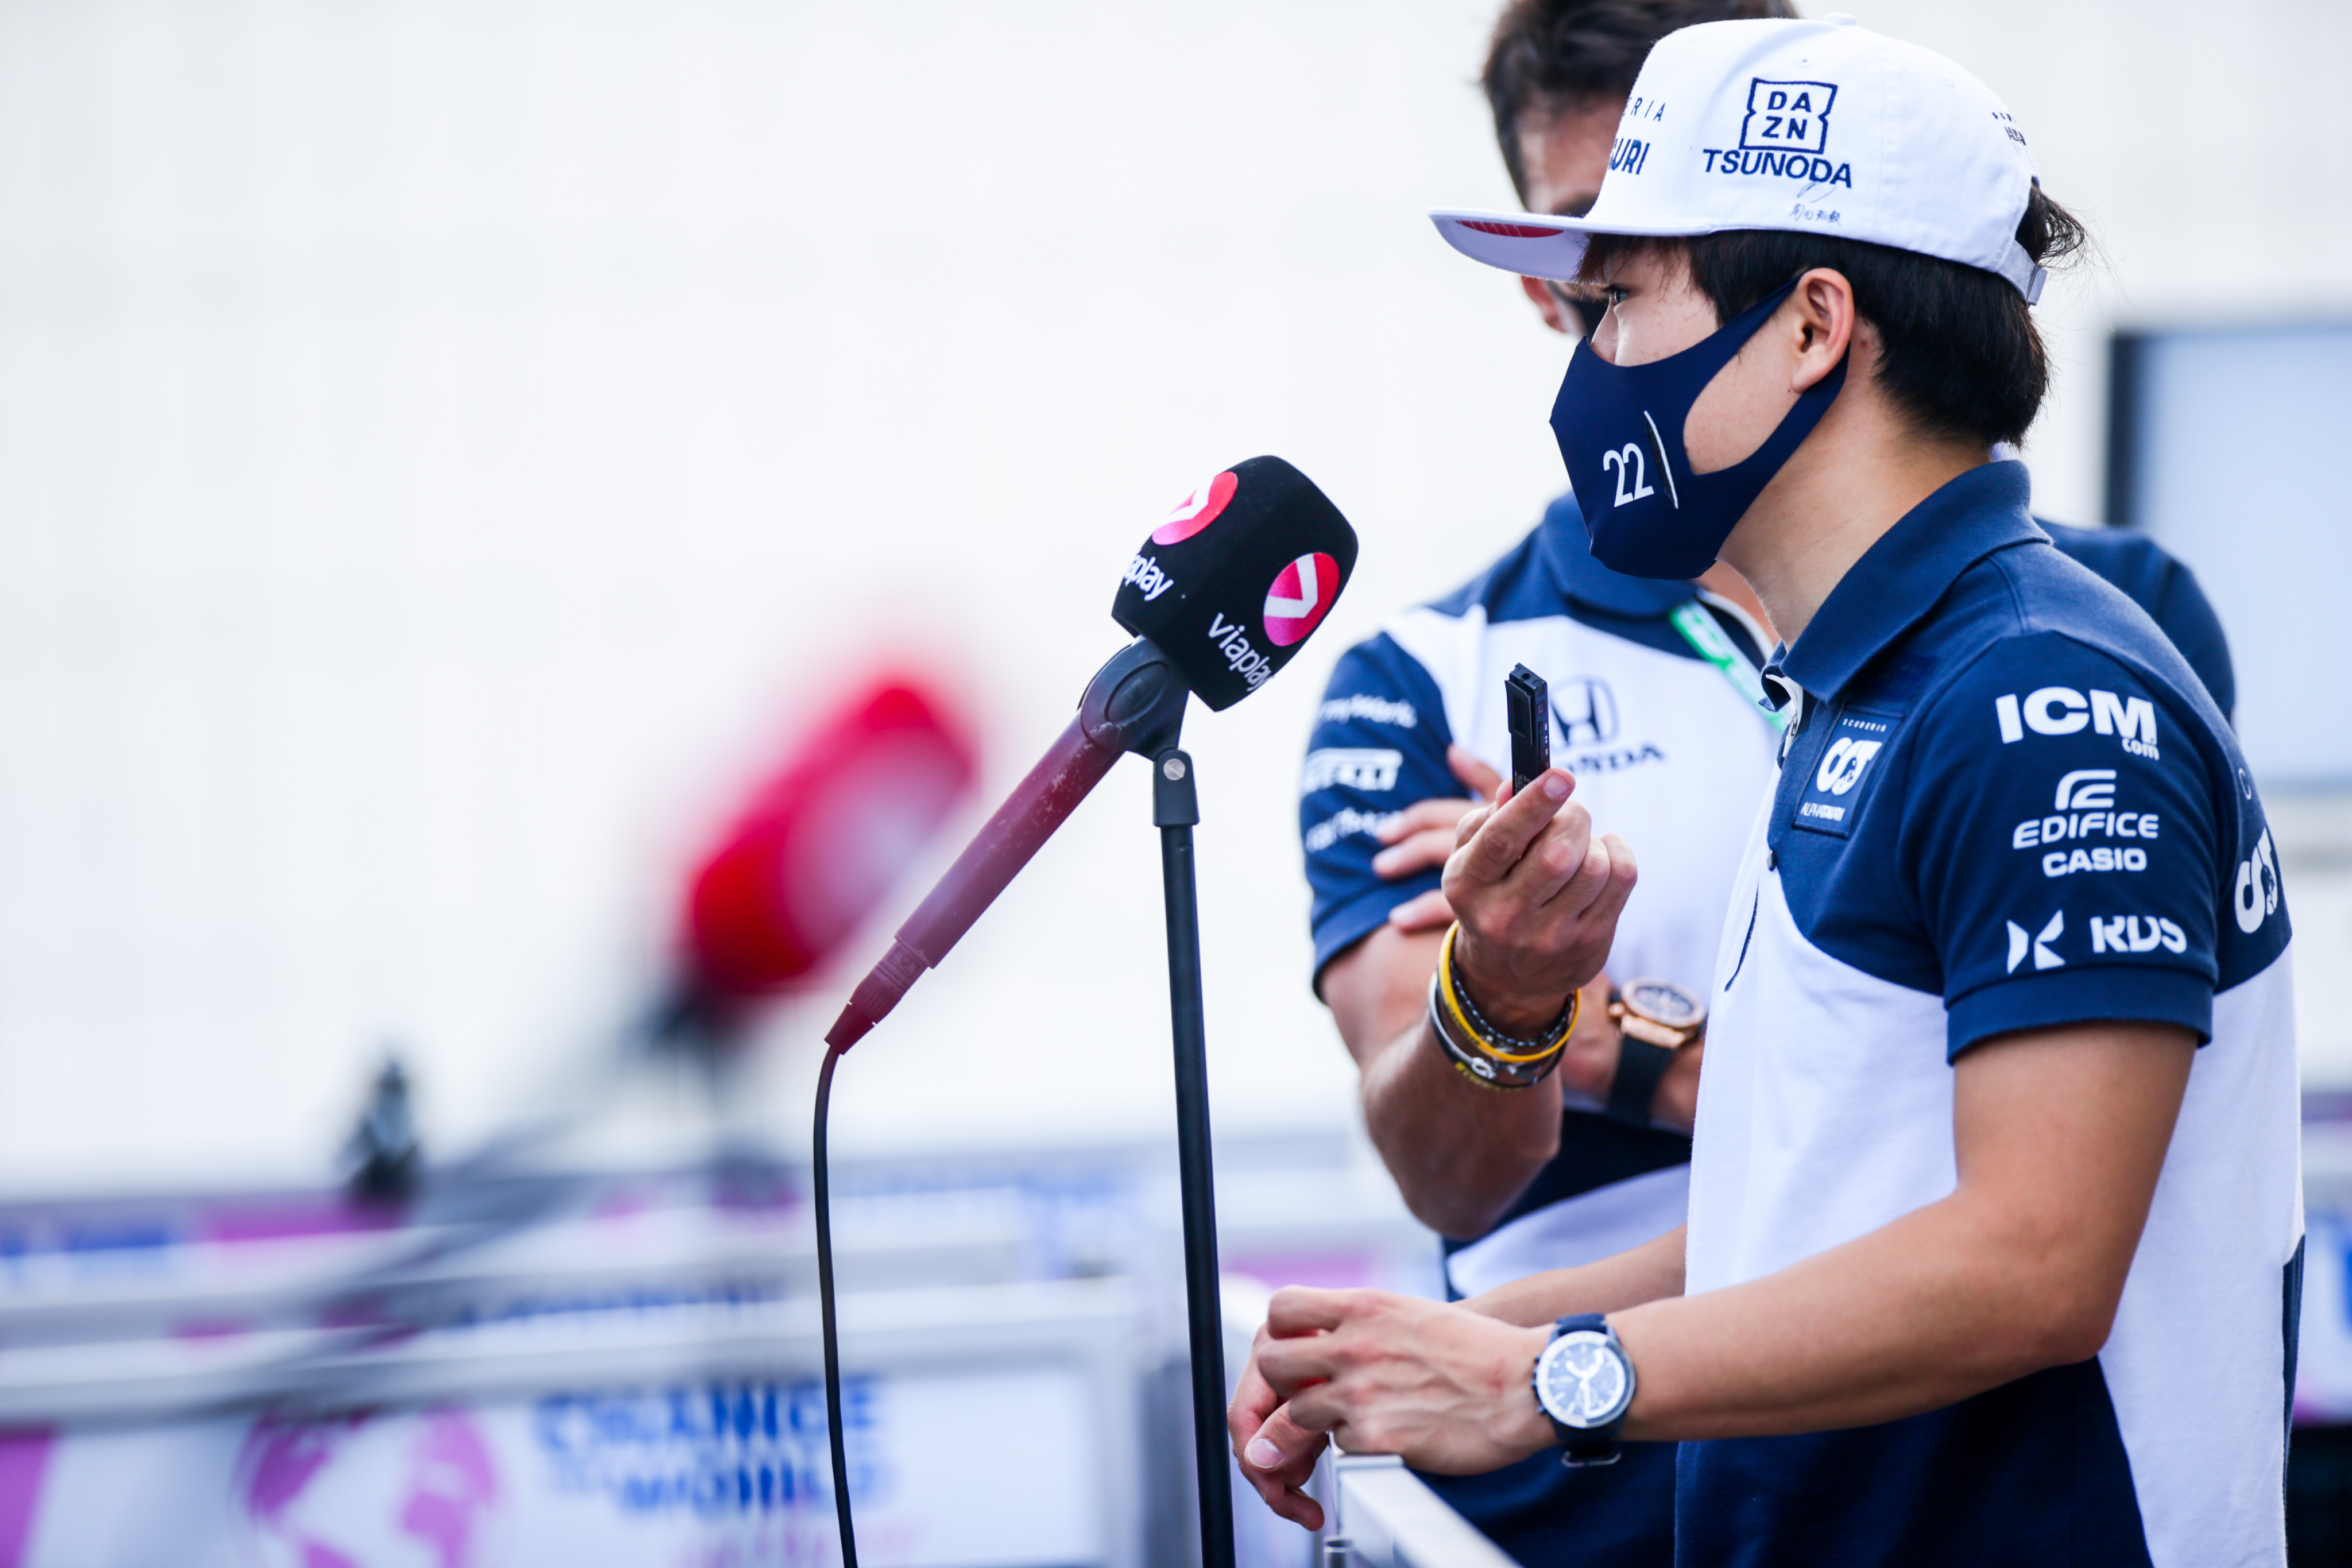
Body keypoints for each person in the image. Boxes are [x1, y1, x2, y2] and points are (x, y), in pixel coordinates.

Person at [1247, 16, 2299, 1565]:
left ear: (1813, 328)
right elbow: (1814, 1204)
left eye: (1622, 301)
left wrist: (1545, 1376)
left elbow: (2035, 1261)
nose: (1589, 364)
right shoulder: (1874, 681)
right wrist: (1437, 1339)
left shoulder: (2034, 694)